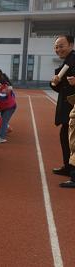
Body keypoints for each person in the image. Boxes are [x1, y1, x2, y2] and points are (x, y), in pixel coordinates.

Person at [50, 35, 75, 178]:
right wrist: (55, 82)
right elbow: (61, 89)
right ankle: (68, 167)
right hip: (68, 110)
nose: (58, 49)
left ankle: (73, 172)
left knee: (72, 140)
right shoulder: (66, 62)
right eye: (56, 47)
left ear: (71, 45)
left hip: (72, 109)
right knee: (65, 138)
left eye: (61, 46)